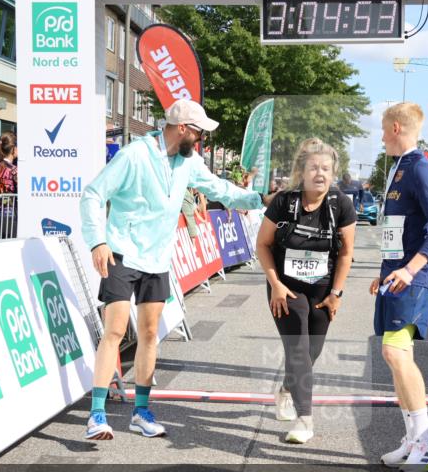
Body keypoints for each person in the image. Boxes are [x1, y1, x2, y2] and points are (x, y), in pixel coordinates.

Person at [80, 99, 265, 441]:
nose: (201, 140)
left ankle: (141, 412)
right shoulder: (134, 155)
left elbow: (218, 189)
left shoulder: (188, 161)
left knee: (150, 334)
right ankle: (96, 415)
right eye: (198, 133)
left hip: (157, 260)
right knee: (115, 331)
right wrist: (97, 242)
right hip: (121, 253)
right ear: (182, 129)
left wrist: (259, 200)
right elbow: (93, 194)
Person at [257, 138, 356, 444]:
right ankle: (305, 420)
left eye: (326, 168)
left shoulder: (341, 204)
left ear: (334, 172)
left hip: (323, 290)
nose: (320, 173)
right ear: (302, 171)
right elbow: (262, 245)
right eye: (313, 167)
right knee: (297, 350)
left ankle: (287, 389)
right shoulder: (285, 201)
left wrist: (336, 294)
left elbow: (345, 254)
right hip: (286, 287)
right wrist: (275, 285)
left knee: (311, 352)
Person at [369, 102, 428, 472]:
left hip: (414, 277)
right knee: (394, 356)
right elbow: (397, 228)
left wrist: (411, 268)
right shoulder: (399, 168)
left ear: (397, 127)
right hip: (395, 274)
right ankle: (412, 437)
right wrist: (385, 269)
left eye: (385, 129)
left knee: (395, 352)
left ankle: (427, 439)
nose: (382, 135)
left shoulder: (420, 168)